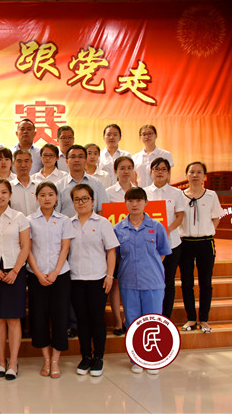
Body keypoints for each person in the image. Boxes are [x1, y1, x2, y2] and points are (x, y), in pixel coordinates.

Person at [114, 187, 171, 374]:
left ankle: (153, 358)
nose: (135, 204)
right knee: (133, 321)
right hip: (128, 282)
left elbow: (163, 252)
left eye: (138, 200)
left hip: (153, 281)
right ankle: (137, 358)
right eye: (130, 200)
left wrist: (149, 266)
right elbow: (116, 256)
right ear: (125, 203)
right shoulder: (118, 229)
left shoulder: (157, 227)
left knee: (153, 321)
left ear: (146, 202)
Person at [68, 184, 119, 377]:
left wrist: (110, 275)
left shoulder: (103, 223)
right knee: (82, 320)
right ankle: (85, 357)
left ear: (92, 201)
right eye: (77, 199)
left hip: (98, 278)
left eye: (85, 199)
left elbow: (111, 251)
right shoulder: (69, 223)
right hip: (75, 278)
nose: (81, 202)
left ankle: (98, 357)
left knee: (96, 319)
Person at [26, 181, 74, 378]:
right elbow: (27, 249)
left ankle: (55, 360)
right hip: (36, 275)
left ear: (56, 198)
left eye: (51, 194)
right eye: (43, 195)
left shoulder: (64, 220)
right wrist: (38, 273)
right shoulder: (29, 220)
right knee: (39, 317)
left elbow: (65, 248)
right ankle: (46, 359)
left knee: (60, 317)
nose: (47, 198)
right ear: (37, 198)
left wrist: (55, 272)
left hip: (60, 276)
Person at [0, 179, 30, 381]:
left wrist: (15, 271)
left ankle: (13, 362)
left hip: (15, 272)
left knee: (13, 318)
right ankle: (1, 361)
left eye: (4, 192)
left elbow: (26, 247)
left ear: (10, 194)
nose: (0, 196)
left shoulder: (20, 218)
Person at [178, 162, 224, 334]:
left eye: (199, 172)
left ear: (204, 175)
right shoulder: (179, 196)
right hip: (185, 243)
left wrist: (206, 230)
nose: (195, 175)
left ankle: (204, 319)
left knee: (205, 282)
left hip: (205, 242)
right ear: (186, 175)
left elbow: (216, 218)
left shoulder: (211, 195)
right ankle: (191, 318)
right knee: (186, 282)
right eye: (192, 172)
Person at [144, 158, 185, 319]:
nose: (160, 172)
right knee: (149, 280)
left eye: (163, 169)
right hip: (148, 245)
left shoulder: (176, 193)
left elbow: (179, 216)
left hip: (171, 243)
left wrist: (165, 230)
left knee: (168, 281)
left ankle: (165, 317)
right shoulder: (144, 192)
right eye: (156, 169)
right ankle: (150, 314)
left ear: (168, 173)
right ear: (151, 172)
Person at [105, 155, 136, 335]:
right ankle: (118, 321)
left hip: (135, 245)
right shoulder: (108, 193)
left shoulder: (140, 192)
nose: (126, 171)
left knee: (132, 283)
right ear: (115, 171)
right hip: (114, 244)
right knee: (115, 284)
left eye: (129, 168)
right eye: (122, 168)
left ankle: (131, 320)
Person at [55, 145, 109, 217]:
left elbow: (102, 210)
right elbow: (56, 213)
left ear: (86, 161)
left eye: (80, 157)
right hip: (67, 224)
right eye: (73, 157)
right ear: (66, 161)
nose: (77, 160)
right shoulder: (59, 186)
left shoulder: (97, 183)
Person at [9, 149, 39, 216]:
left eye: (26, 161)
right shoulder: (8, 187)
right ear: (13, 163)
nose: (23, 165)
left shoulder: (39, 187)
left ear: (31, 163)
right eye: (19, 161)